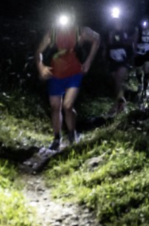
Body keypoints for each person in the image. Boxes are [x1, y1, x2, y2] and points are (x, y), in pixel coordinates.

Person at [35, 13, 100, 150]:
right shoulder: (52, 34)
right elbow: (39, 52)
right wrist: (41, 66)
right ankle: (57, 138)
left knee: (67, 106)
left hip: (74, 74)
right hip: (55, 75)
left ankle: (72, 133)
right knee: (55, 107)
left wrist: (88, 62)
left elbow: (97, 39)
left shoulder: (79, 32)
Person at [104, 20, 134, 117]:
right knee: (117, 84)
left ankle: (115, 106)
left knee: (118, 81)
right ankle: (122, 103)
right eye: (116, 23)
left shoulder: (126, 33)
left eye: (119, 23)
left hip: (123, 61)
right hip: (113, 61)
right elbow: (107, 45)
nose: (117, 25)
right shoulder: (110, 32)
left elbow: (131, 44)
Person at [133, 18, 149, 99]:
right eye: (144, 23)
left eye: (147, 23)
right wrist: (134, 50)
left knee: (146, 69)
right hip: (139, 50)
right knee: (138, 70)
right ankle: (140, 83)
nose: (146, 25)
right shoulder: (138, 29)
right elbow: (135, 39)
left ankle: (145, 89)